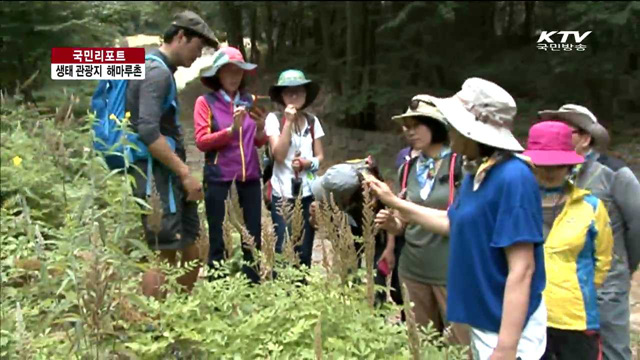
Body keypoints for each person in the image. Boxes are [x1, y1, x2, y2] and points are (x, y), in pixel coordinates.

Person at [367, 77, 547, 360]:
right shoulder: (478, 173)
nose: (450, 129)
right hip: (480, 317)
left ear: (473, 131)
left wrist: (506, 348)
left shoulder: (514, 178)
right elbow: (452, 222)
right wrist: (392, 202)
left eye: (455, 123)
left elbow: (522, 269)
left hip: (504, 328)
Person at [128, 10, 219, 299]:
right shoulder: (156, 72)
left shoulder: (157, 70)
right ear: (181, 37)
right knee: (163, 251)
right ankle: (158, 327)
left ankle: (180, 313)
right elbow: (147, 131)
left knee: (191, 241)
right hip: (158, 175)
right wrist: (184, 173)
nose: (198, 55)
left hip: (168, 175)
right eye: (197, 47)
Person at [538, 104, 640, 360]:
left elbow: (638, 224)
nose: (558, 136)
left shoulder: (613, 173)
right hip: (559, 287)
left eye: (566, 131)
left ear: (585, 138)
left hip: (606, 282)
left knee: (613, 350)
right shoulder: (546, 175)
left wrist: (623, 267)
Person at [377, 95, 469, 346]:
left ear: (436, 125)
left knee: (459, 347)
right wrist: (391, 225)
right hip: (413, 270)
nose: (410, 131)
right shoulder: (407, 168)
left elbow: (466, 222)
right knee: (422, 346)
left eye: (417, 124)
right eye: (406, 126)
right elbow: (402, 222)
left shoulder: (460, 165)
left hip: (451, 271)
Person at [522, 120, 613, 360]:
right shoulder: (518, 204)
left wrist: (579, 288)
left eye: (558, 164)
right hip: (526, 312)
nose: (551, 170)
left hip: (576, 317)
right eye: (543, 164)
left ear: (570, 164)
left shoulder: (591, 207)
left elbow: (602, 260)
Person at [193, 46, 268, 284]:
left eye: (238, 71)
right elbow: (201, 142)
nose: (234, 76)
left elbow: (257, 142)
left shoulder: (250, 101)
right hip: (219, 178)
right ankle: (219, 288)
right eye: (228, 71)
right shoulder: (205, 102)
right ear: (218, 74)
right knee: (219, 237)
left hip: (251, 178)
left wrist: (261, 127)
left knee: (253, 237)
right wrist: (230, 131)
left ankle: (251, 287)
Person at [264, 69, 324, 267]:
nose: (294, 95)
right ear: (281, 95)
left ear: (306, 94)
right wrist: (288, 122)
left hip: (308, 194)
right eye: (288, 92)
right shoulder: (274, 119)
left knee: (305, 252)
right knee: (283, 249)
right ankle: (282, 292)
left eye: (298, 91)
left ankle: (301, 292)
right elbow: (279, 156)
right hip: (282, 195)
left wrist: (308, 164)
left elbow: (320, 157)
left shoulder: (312, 122)